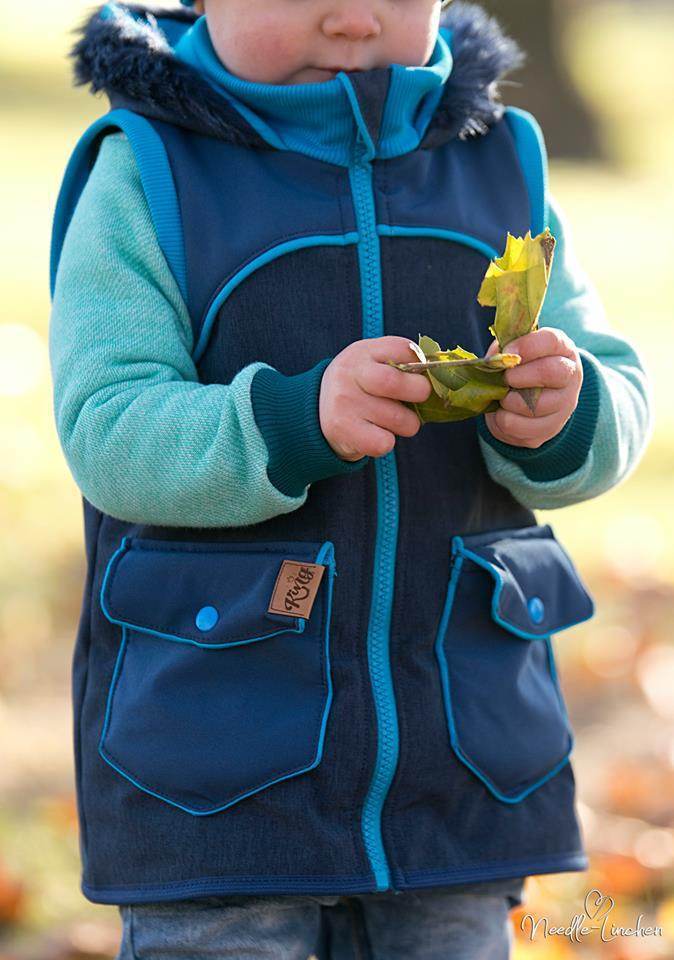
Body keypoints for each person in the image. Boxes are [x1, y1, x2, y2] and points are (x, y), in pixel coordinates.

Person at [47, 0, 652, 957]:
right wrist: (289, 423)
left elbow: (615, 383)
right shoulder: (148, 170)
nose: (355, 19)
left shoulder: (503, 159)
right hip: (218, 772)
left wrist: (564, 412)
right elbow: (108, 425)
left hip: (461, 756)